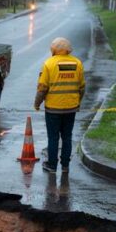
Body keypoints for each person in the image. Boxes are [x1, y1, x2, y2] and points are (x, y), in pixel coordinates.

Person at [34, 37, 85, 174]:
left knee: (53, 137)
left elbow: (42, 87)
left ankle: (52, 165)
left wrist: (37, 103)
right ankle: (65, 166)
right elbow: (82, 87)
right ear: (68, 49)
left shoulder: (49, 64)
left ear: (53, 49)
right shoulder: (77, 63)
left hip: (53, 109)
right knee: (67, 136)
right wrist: (77, 101)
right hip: (71, 108)